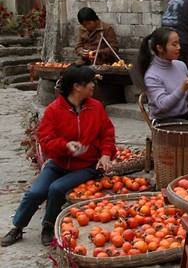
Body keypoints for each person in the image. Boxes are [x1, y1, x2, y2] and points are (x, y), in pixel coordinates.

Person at [1, 65, 116, 247]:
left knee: (56, 189)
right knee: (35, 192)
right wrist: (66, 146)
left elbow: (107, 134)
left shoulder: (97, 108)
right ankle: (17, 227)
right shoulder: (54, 110)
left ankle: (48, 225)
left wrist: (106, 155)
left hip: (86, 166)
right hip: (58, 163)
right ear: (77, 86)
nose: (93, 85)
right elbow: (45, 140)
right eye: (90, 82)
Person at [135, 27, 188, 122]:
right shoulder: (152, 75)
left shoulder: (180, 65)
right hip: (165, 121)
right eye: (174, 44)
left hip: (186, 115)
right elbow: (163, 105)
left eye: (178, 43)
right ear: (160, 48)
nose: (179, 47)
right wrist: (182, 88)